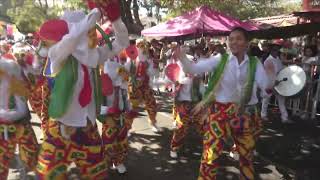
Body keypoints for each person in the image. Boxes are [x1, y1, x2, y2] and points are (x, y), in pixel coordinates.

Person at [35, 7, 129, 179]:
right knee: (48, 176)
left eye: (92, 30)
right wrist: (89, 20)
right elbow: (69, 42)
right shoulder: (57, 55)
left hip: (87, 128)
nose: (92, 34)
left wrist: (115, 19)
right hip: (60, 130)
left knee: (98, 175)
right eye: (89, 31)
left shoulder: (95, 56)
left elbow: (122, 42)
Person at [176, 27, 271, 180]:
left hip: (243, 114)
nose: (233, 42)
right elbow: (193, 68)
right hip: (219, 113)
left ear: (247, 43)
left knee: (246, 155)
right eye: (231, 38)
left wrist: (271, 80)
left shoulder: (254, 63)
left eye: (238, 38)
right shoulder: (220, 59)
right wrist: (182, 58)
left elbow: (265, 85)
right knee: (210, 155)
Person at [0, 55, 39, 179]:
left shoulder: (12, 66)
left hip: (17, 124)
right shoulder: (13, 66)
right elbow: (31, 88)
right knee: (32, 156)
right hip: (14, 124)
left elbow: (29, 88)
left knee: (3, 164)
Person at [100, 52, 136, 174]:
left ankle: (119, 162)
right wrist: (105, 112)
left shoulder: (122, 87)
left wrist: (129, 110)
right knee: (108, 143)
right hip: (108, 119)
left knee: (122, 141)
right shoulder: (104, 87)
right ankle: (106, 163)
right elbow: (98, 105)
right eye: (120, 74)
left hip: (121, 117)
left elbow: (126, 100)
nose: (123, 77)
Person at [169, 61, 205, 158]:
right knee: (181, 128)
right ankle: (174, 147)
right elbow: (176, 93)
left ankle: (208, 147)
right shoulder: (180, 79)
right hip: (184, 106)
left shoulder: (198, 79)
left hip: (196, 105)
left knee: (202, 127)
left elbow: (203, 92)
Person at [127, 40, 161, 132]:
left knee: (152, 105)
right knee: (132, 107)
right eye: (140, 46)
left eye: (144, 46)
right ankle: (128, 127)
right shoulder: (131, 58)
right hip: (134, 86)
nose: (143, 48)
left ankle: (153, 123)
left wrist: (152, 67)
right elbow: (126, 70)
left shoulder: (149, 59)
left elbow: (152, 73)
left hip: (146, 86)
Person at [261, 46, 292, 123]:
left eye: (277, 50)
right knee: (266, 99)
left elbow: (280, 70)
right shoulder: (268, 61)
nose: (276, 51)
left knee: (281, 100)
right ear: (271, 51)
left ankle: (284, 118)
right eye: (274, 50)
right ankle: (263, 115)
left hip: (278, 82)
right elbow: (269, 74)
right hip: (270, 83)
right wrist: (275, 81)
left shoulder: (277, 59)